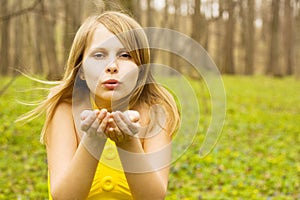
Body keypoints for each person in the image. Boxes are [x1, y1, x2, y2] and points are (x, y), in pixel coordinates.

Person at [20, 11, 180, 199]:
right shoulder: (64, 110)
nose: (112, 66)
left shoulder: (156, 112)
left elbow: (153, 197)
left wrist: (128, 142)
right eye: (98, 55)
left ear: (141, 68)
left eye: (125, 55)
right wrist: (93, 140)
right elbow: (64, 197)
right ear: (81, 70)